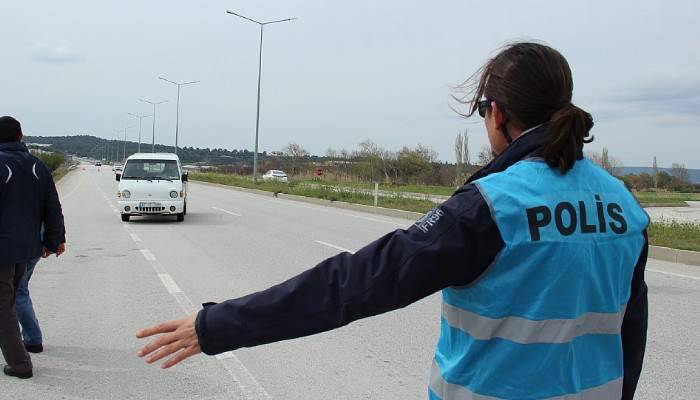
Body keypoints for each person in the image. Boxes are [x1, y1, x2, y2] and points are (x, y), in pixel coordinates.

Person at [137, 42, 649, 399]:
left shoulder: (492, 207)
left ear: (495, 114)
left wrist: (217, 325)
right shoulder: (623, 203)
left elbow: (354, 284)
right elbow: (631, 334)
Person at [0, 116, 66, 379]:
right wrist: (54, 240)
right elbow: (52, 206)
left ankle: (20, 364)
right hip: (27, 248)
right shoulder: (38, 166)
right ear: (21, 136)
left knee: (4, 306)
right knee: (11, 300)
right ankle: (23, 346)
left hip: (3, 250)